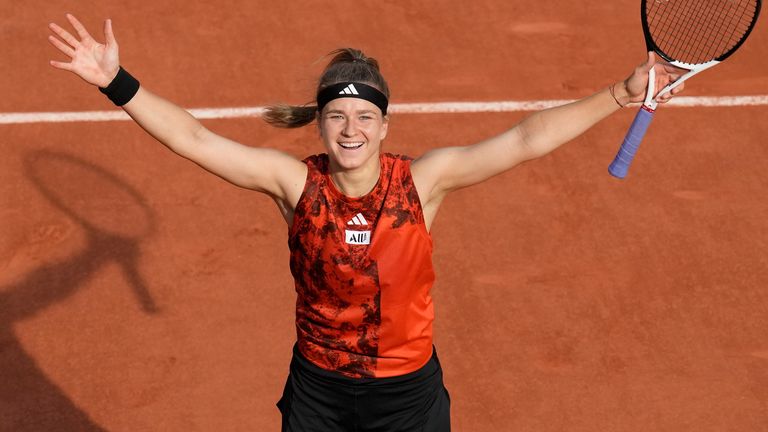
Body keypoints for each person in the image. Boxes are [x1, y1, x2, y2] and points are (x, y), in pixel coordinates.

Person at [48, 13, 684, 432]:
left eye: (364, 117)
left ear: (385, 124)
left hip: (408, 396)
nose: (350, 129)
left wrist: (622, 94)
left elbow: (525, 138)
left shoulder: (422, 183)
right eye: (336, 116)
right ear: (320, 123)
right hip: (319, 394)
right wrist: (116, 81)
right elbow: (193, 138)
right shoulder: (296, 184)